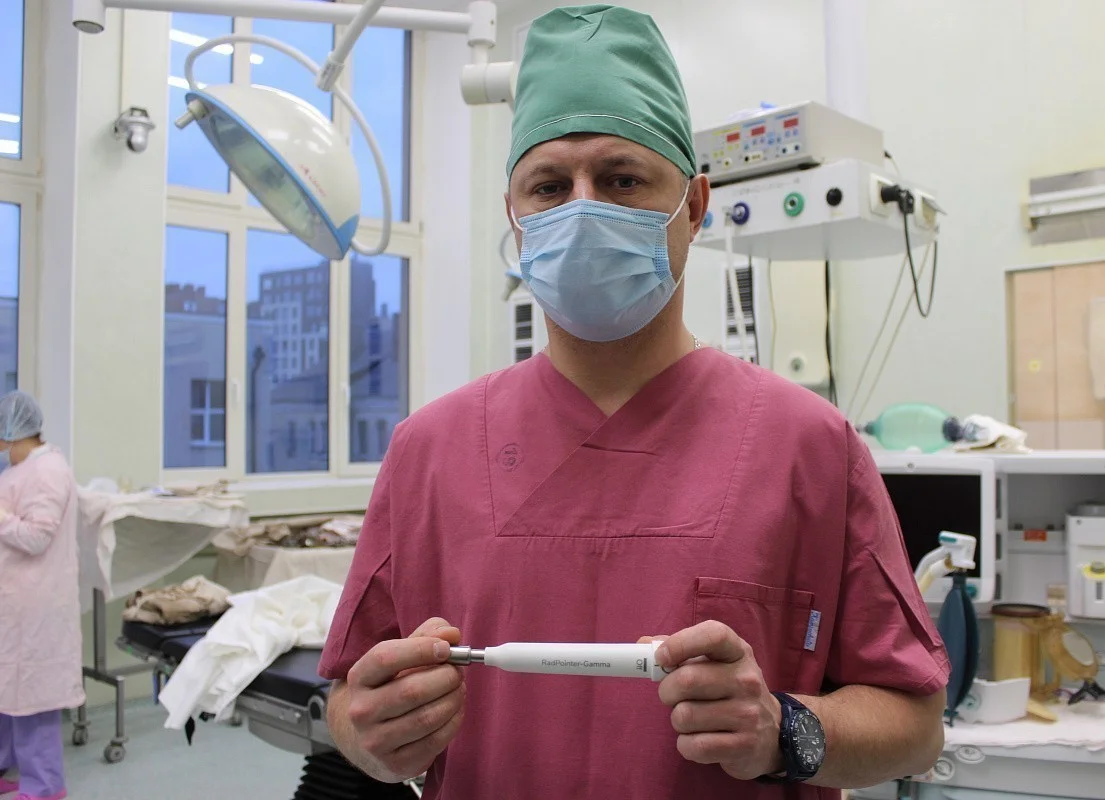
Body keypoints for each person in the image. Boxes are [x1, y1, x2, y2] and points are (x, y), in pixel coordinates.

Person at [318, 5, 949, 798]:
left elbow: (915, 727)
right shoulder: (429, 451)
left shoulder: (809, 447)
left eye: (622, 179)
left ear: (694, 207)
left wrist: (783, 729)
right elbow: (349, 697)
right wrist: (373, 738)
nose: (583, 208)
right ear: (516, 217)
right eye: (549, 186)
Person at [0, 391, 83, 800]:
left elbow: (36, 536)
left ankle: (45, 786)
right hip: (14, 602)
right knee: (7, 691)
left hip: (36, 605)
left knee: (31, 695)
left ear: (11, 432)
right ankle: (5, 771)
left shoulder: (48, 470)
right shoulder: (20, 469)